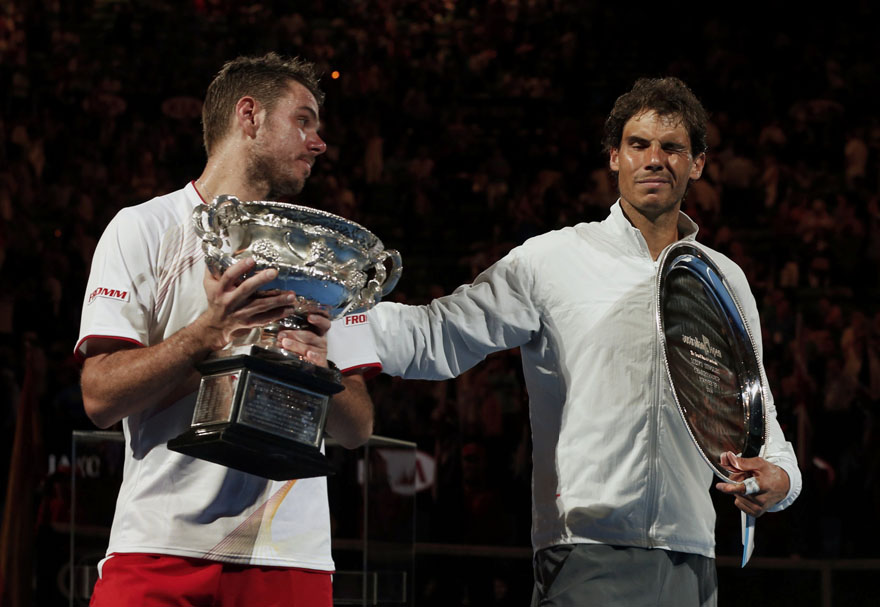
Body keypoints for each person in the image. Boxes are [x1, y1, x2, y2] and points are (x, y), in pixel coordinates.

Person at [369, 77, 802, 606]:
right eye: (638, 144)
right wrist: (335, 331)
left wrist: (782, 477)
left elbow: (753, 409)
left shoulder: (723, 279)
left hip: (692, 558)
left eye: (672, 148)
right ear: (614, 157)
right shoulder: (552, 259)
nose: (655, 159)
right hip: (585, 551)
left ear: (698, 164)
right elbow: (439, 333)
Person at [76, 53, 380, 607]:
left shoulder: (327, 259)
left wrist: (321, 365)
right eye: (304, 120)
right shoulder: (145, 228)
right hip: (161, 544)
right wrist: (210, 331)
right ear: (250, 116)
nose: (319, 142)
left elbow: (358, 427)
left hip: (289, 552)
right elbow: (99, 397)